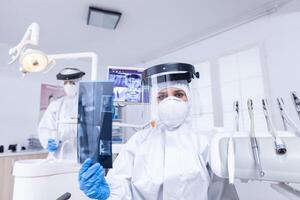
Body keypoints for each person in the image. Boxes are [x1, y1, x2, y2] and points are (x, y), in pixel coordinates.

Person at [78, 63, 239, 200]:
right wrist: (107, 193)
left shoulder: (205, 141)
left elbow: (223, 193)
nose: (170, 101)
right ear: (155, 102)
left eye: (178, 94)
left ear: (189, 99)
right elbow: (121, 183)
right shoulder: (139, 140)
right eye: (162, 96)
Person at [38, 67, 85, 160]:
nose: (68, 86)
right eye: (65, 83)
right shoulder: (56, 105)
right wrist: (49, 141)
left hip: (80, 156)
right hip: (59, 156)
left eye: (72, 83)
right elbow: (45, 127)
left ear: (79, 83)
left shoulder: (87, 104)